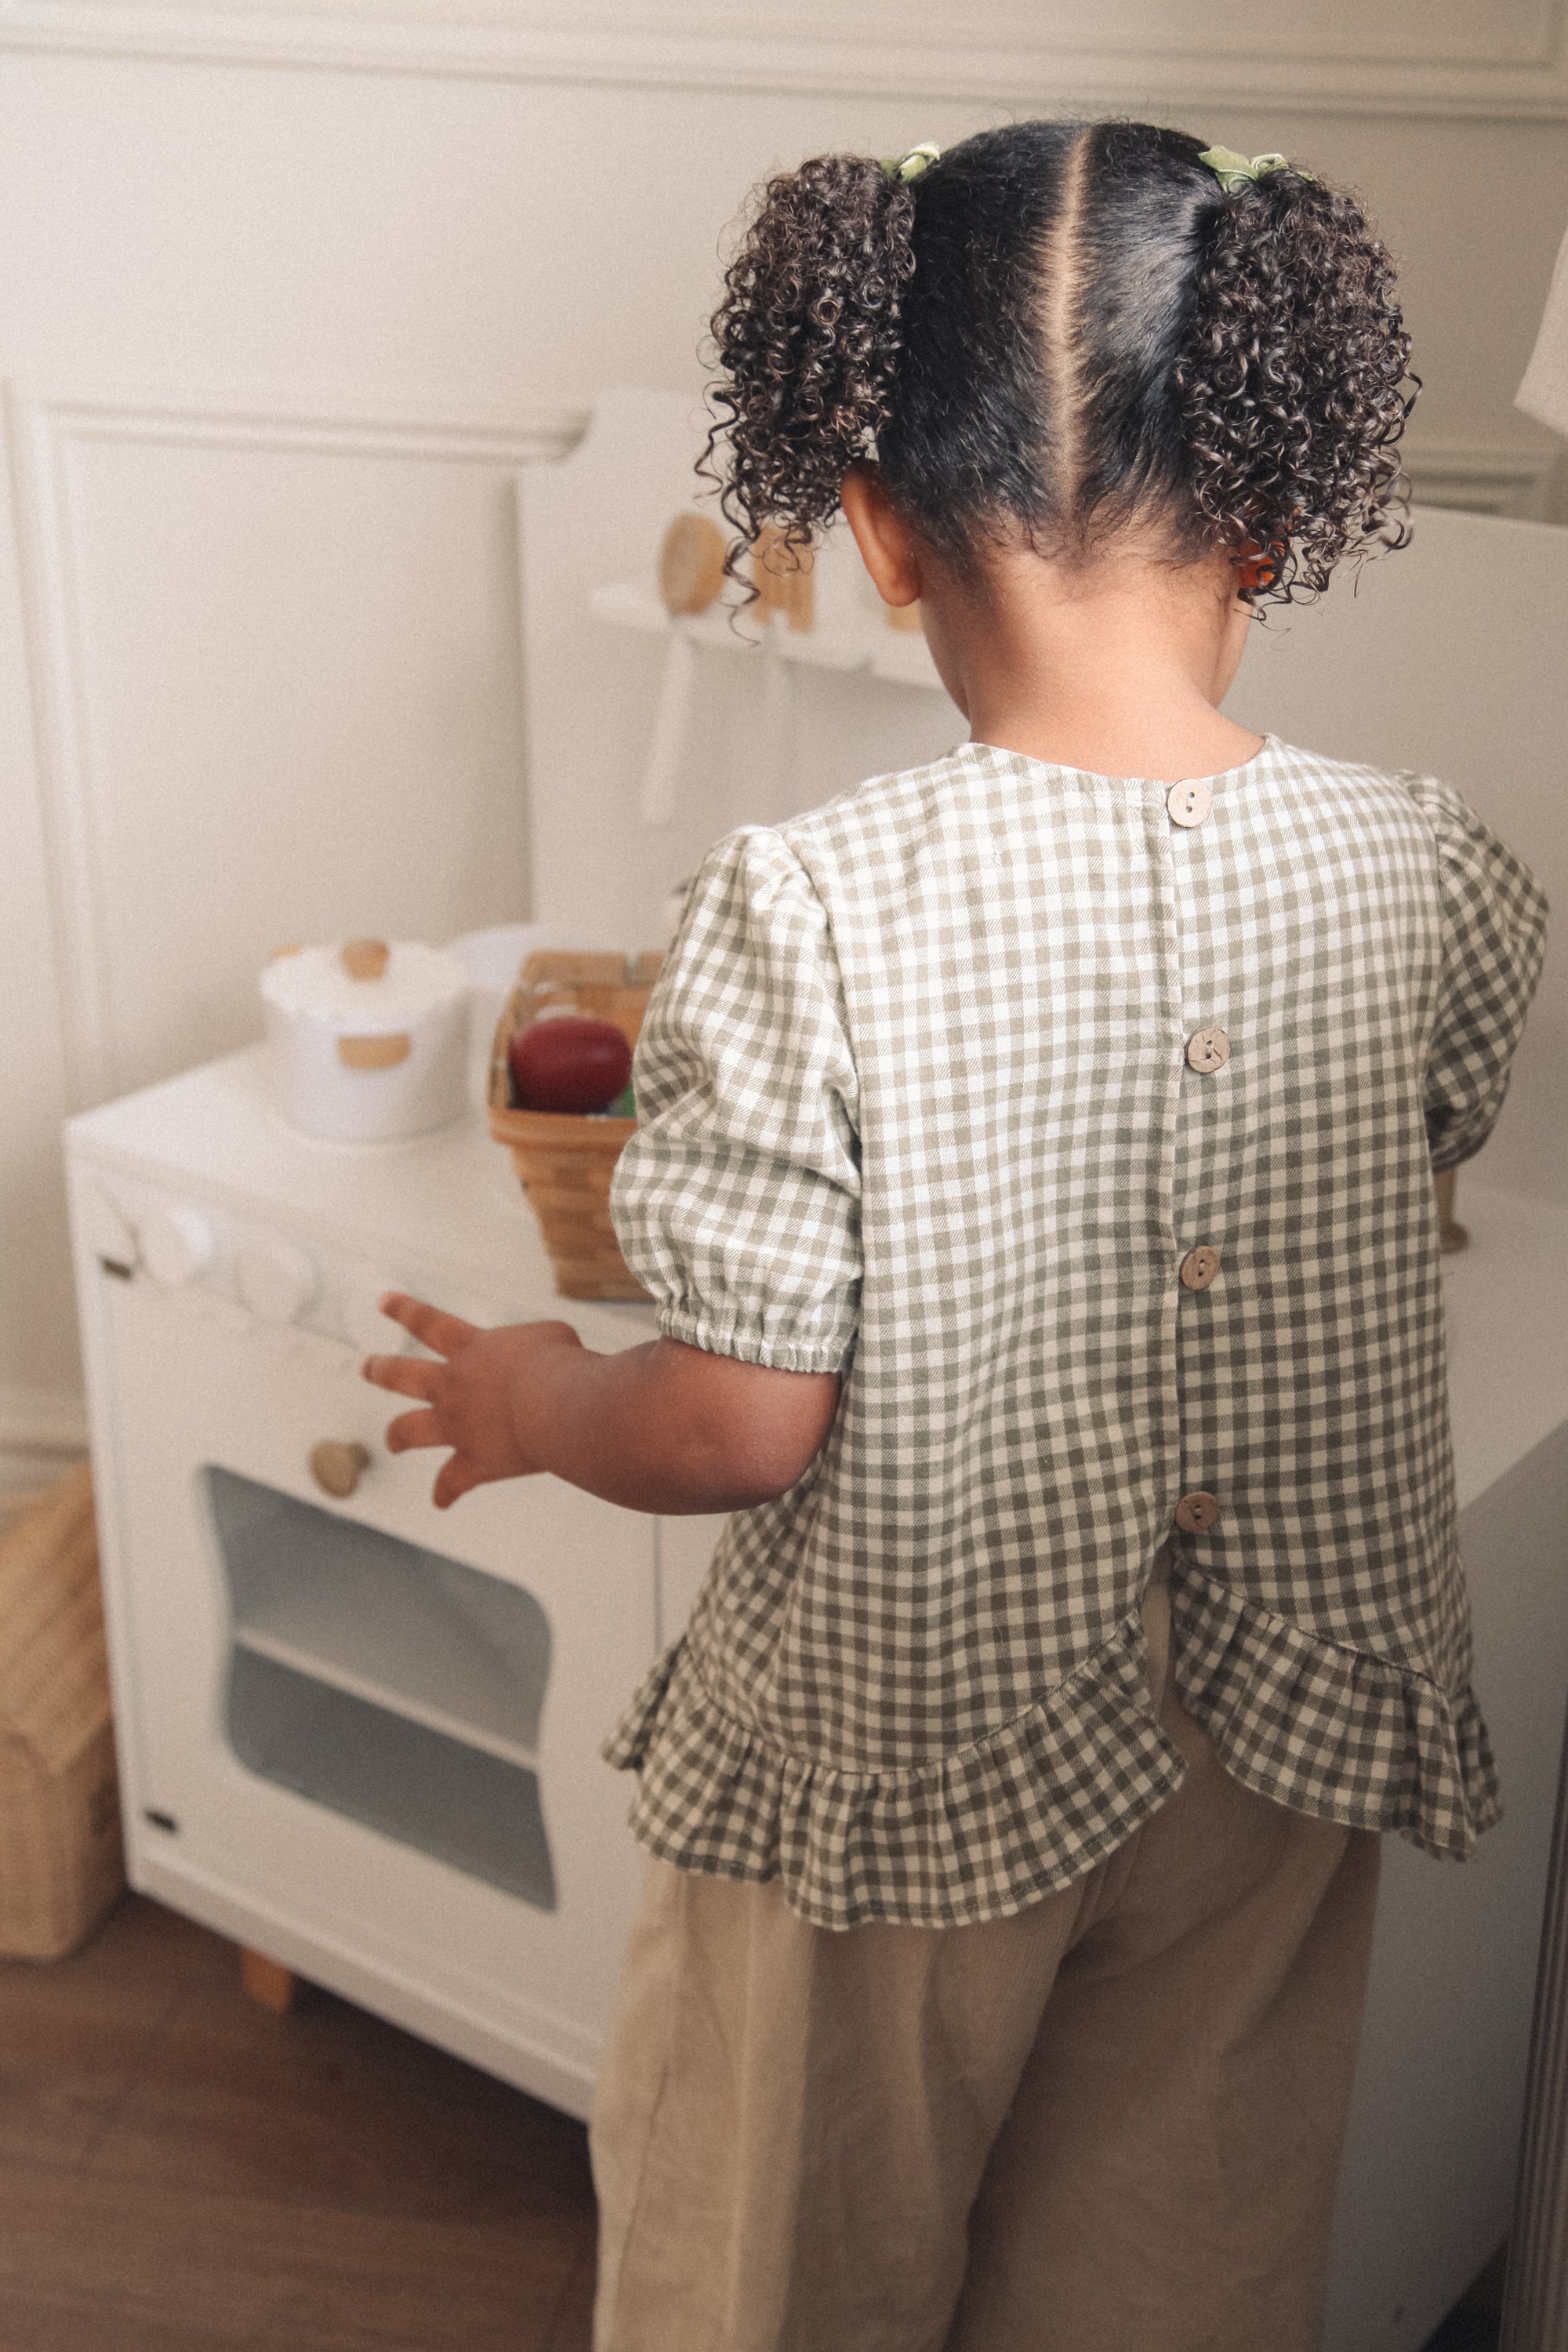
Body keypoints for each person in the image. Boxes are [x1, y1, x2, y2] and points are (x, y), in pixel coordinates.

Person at [361, 119, 1548, 2352]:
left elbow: (730, 1426)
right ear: (1273, 514)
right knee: (1175, 2266)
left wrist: (538, 1394)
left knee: (782, 2262)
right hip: (1273, 1734)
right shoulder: (1439, 875)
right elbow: (1418, 1162)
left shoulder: (807, 912)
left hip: (906, 1753)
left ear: (887, 537)